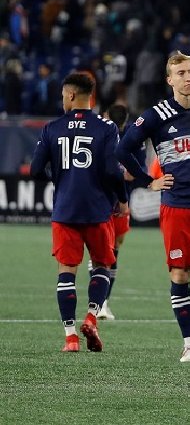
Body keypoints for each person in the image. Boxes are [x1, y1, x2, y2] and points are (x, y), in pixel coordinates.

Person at [116, 51, 190, 363]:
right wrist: (147, 180)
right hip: (177, 207)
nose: (189, 78)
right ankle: (188, 344)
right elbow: (123, 148)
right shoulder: (156, 116)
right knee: (180, 274)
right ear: (169, 79)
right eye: (181, 73)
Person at [30, 72, 129, 353]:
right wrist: (121, 199)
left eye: (63, 95)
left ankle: (71, 337)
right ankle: (91, 317)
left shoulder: (52, 128)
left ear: (71, 95)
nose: (63, 99)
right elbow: (112, 170)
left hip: (65, 209)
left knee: (66, 272)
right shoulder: (107, 127)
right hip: (98, 209)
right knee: (102, 265)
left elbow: (36, 170)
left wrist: (60, 179)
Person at [89, 104, 146, 320]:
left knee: (112, 250)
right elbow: (129, 173)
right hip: (103, 200)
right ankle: (99, 302)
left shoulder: (132, 138)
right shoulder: (100, 133)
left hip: (119, 202)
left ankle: (103, 302)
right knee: (103, 250)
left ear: (105, 115)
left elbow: (137, 173)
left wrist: (112, 173)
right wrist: (121, 173)